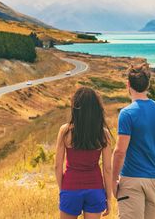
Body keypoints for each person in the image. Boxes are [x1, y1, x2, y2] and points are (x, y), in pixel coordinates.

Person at [111, 63, 155, 219]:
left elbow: (119, 151)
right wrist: (154, 171)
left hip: (131, 179)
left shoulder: (127, 114)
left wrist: (113, 180)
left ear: (128, 85)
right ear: (148, 85)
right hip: (153, 179)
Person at [55, 87, 114, 218]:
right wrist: (108, 198)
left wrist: (63, 190)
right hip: (95, 189)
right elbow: (108, 169)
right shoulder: (103, 134)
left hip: (70, 187)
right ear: (97, 109)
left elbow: (57, 166)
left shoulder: (65, 131)